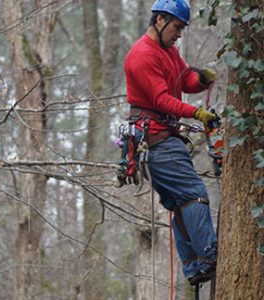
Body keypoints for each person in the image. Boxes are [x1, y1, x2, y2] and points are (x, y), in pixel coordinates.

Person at [123, 0, 218, 285]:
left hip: (162, 137)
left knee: (180, 202)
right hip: (156, 139)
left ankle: (195, 267)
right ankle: (209, 255)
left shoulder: (169, 51)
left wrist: (200, 80)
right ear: (161, 20)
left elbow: (184, 78)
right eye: (177, 27)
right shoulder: (141, 55)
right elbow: (161, 99)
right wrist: (197, 113)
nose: (179, 34)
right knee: (194, 194)